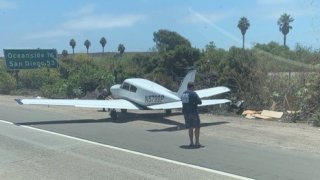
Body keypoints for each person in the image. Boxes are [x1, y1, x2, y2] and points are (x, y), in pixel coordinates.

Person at [181, 82, 203, 148]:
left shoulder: (183, 94)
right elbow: (200, 102)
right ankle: (197, 142)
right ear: (192, 87)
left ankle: (191, 142)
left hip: (185, 113)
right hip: (193, 112)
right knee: (197, 127)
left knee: (190, 128)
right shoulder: (193, 93)